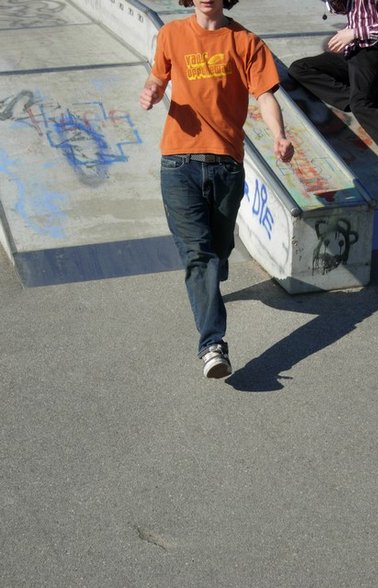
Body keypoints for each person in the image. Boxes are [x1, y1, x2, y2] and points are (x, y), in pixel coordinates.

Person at [139, 0, 294, 379]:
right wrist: (152, 92)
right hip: (178, 163)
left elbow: (266, 95)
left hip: (226, 165)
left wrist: (280, 134)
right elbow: (157, 77)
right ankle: (212, 343)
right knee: (198, 253)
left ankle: (215, 271)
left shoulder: (245, 42)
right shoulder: (172, 34)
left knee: (219, 248)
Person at [288, 0, 378, 186]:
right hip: (350, 53)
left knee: (361, 104)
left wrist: (354, 32)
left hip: (372, 53)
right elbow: (341, 8)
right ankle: (362, 97)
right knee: (299, 68)